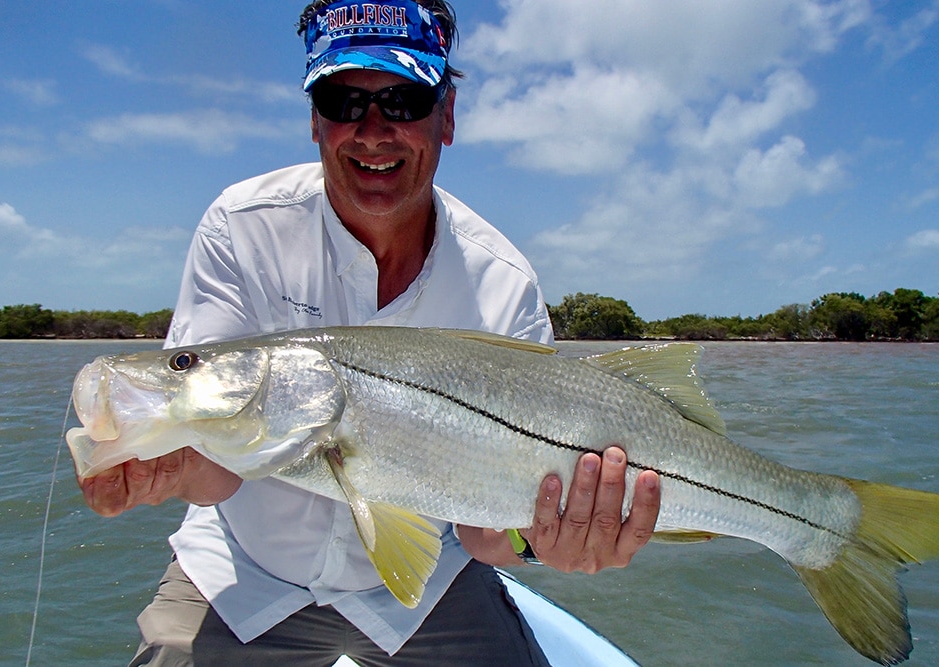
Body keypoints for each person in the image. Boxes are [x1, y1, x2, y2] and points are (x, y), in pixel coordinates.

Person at [78, 1, 661, 664]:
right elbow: (217, 474)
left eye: (404, 99)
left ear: (446, 115)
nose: (373, 131)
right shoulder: (240, 227)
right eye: (342, 100)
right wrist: (174, 462)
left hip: (428, 591)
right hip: (243, 574)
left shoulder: (502, 282)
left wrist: (539, 537)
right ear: (314, 119)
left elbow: (484, 534)